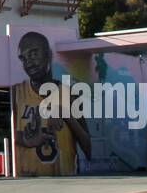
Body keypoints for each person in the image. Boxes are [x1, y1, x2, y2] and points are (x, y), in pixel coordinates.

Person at [12, 31, 90, 176]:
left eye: (34, 54)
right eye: (23, 58)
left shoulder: (69, 94)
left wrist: (66, 115)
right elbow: (2, 135)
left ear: (48, 54)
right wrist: (28, 140)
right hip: (26, 181)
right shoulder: (16, 92)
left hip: (64, 179)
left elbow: (88, 148)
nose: (28, 62)